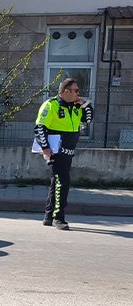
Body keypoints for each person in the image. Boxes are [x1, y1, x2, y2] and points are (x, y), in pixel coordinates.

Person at [34, 78, 93, 230]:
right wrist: (45, 147)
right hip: (56, 152)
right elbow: (40, 127)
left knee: (56, 183)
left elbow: (88, 119)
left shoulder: (75, 107)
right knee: (63, 182)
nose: (78, 93)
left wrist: (85, 105)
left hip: (68, 152)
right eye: (76, 90)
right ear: (66, 91)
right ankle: (58, 218)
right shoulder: (51, 105)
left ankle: (48, 216)